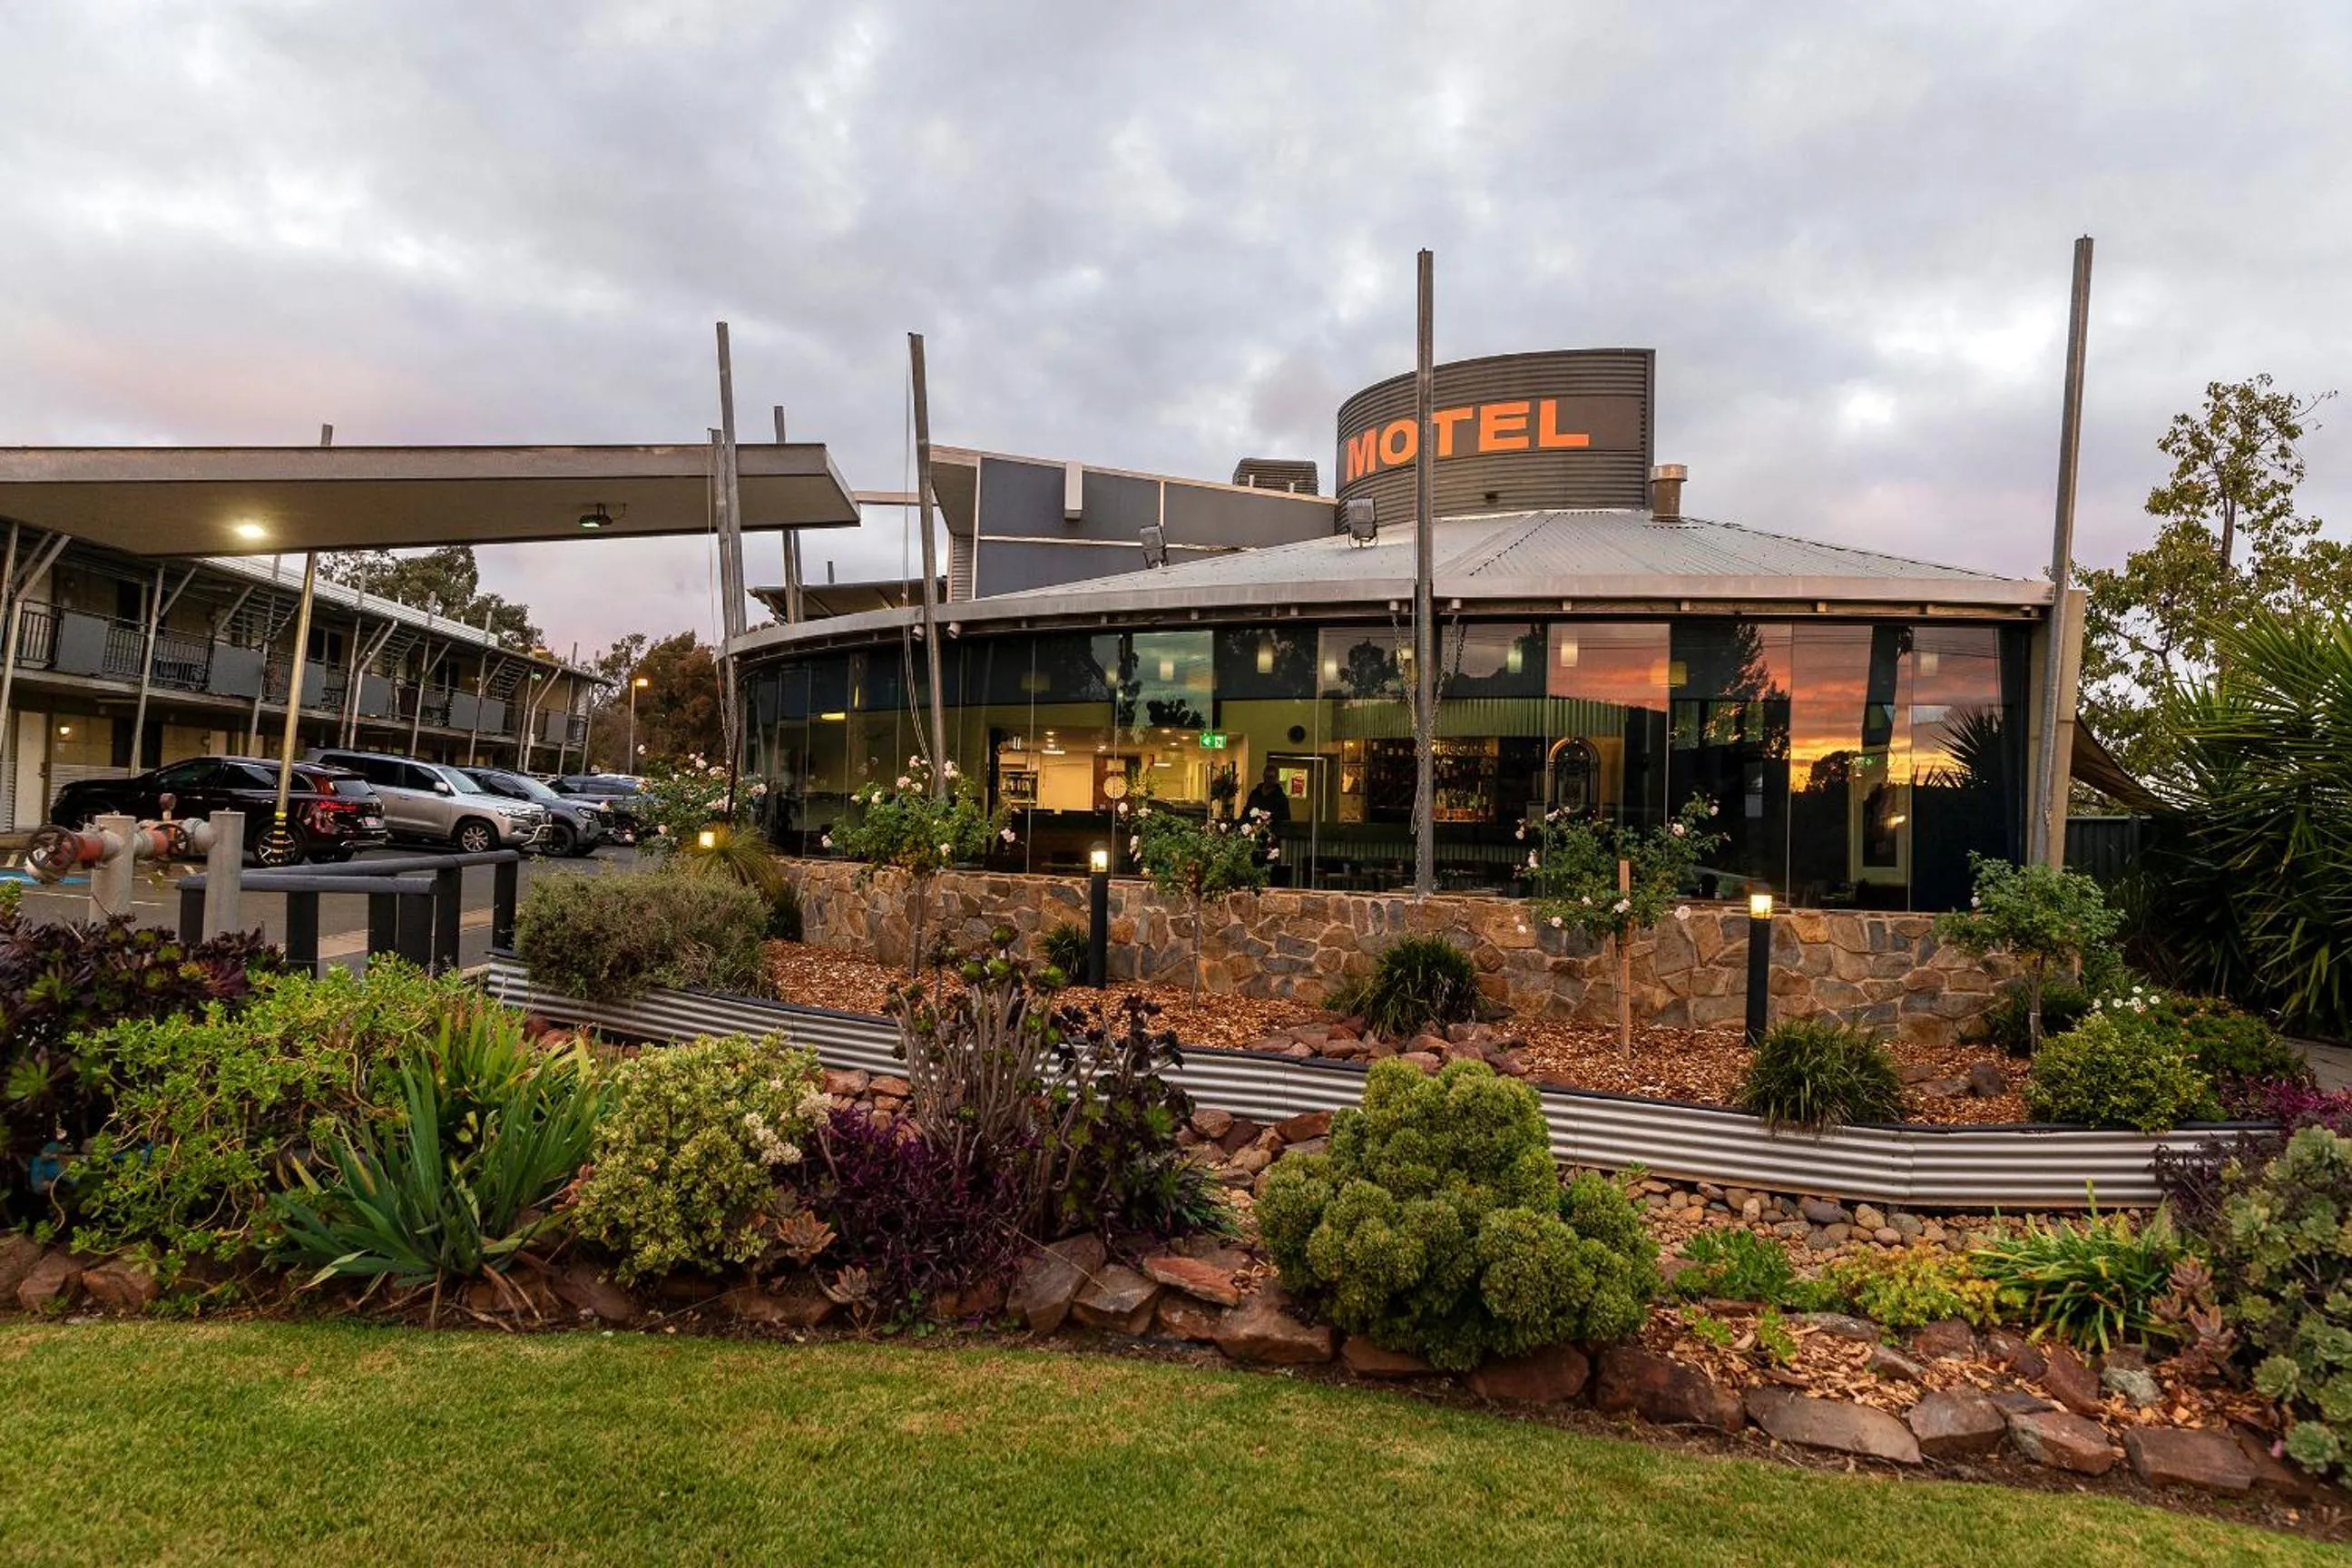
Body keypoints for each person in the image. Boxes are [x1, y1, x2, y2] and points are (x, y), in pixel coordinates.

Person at [1244, 762, 1291, 827]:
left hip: (1272, 831)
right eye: (1267, 777)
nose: (1268, 780)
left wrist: (1270, 816)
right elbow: (1247, 811)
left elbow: (1285, 819)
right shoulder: (1255, 794)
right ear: (1263, 776)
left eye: (1271, 777)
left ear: (1276, 778)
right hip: (1252, 829)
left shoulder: (1281, 798)